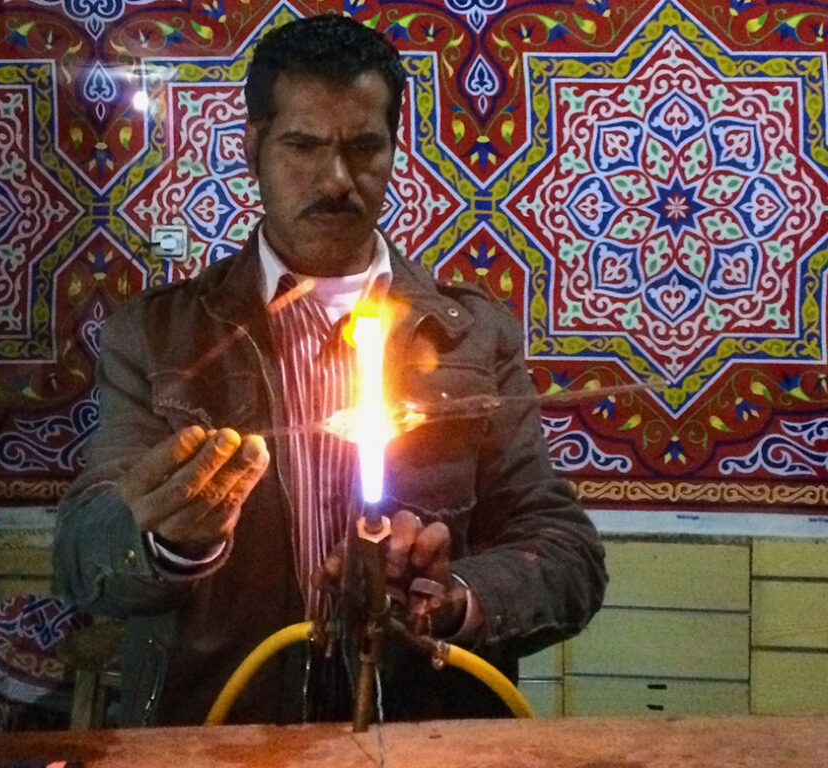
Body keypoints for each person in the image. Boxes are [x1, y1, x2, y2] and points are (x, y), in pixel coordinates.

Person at [54, 13, 606, 726]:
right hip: (227, 733)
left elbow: (566, 555)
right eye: (303, 146)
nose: (337, 179)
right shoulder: (156, 337)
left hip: (420, 733)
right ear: (254, 148)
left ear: (394, 149)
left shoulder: (475, 335)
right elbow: (79, 558)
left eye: (363, 148)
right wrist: (168, 539)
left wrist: (456, 595)